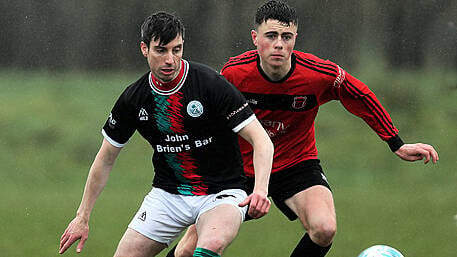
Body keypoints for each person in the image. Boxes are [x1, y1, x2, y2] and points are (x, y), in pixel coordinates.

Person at [166, 1, 440, 257]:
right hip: (242, 170)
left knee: (324, 229)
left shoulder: (318, 74)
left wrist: (396, 143)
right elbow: (210, 120)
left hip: (297, 164)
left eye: (287, 37)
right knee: (190, 249)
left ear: (295, 39)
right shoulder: (234, 73)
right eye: (270, 36)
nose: (279, 45)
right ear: (255, 38)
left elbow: (361, 96)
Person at [58, 11, 274, 257]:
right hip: (169, 194)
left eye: (177, 49)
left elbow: (261, 140)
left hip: (222, 192)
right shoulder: (134, 98)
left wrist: (260, 190)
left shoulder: (210, 84)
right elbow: (106, 157)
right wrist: (82, 217)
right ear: (144, 49)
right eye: (161, 50)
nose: (170, 59)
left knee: (210, 245)